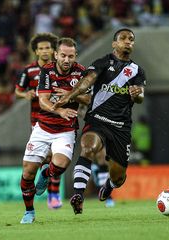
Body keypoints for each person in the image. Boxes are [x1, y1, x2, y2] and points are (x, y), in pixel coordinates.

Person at [53, 28, 146, 215]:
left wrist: (138, 94)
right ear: (114, 43)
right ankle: (78, 196)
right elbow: (87, 82)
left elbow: (140, 96)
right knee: (88, 147)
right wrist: (69, 96)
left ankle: (109, 186)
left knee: (119, 177)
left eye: (131, 39)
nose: (128, 41)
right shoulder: (103, 63)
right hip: (98, 119)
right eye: (123, 38)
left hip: (121, 127)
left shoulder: (137, 71)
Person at [19, 37, 91, 224]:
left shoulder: (82, 72)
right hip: (42, 127)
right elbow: (42, 101)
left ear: (76, 56)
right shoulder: (47, 71)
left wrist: (72, 94)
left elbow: (90, 100)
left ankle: (45, 175)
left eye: (71, 56)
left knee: (60, 165)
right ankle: (29, 212)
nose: (67, 60)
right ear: (56, 55)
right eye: (63, 56)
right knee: (27, 172)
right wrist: (58, 109)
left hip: (66, 128)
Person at [16, 32, 65, 210]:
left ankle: (54, 194)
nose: (45, 51)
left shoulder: (60, 69)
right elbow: (17, 91)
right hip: (36, 120)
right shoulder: (29, 71)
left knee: (54, 156)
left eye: (48, 48)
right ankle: (48, 186)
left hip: (57, 118)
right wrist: (25, 94)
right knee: (44, 158)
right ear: (36, 52)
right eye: (41, 48)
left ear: (53, 50)